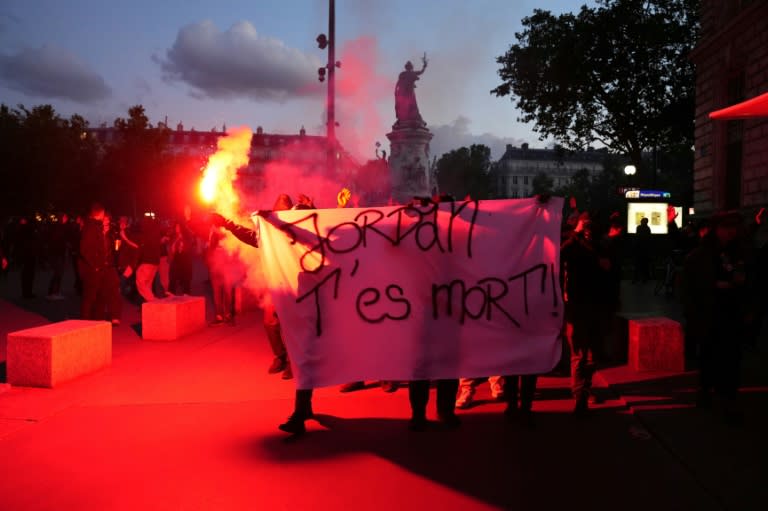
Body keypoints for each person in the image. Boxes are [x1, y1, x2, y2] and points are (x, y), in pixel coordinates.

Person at [78, 203, 121, 325]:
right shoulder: (92, 228)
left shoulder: (110, 233)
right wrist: (96, 264)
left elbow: (113, 250)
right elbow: (85, 249)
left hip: (106, 267)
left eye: (107, 222)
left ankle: (102, 319)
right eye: (104, 220)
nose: (106, 223)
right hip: (96, 268)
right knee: (90, 296)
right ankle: (86, 322)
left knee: (104, 294)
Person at [135, 215, 163, 302]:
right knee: (147, 285)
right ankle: (150, 304)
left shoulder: (146, 233)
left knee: (140, 282)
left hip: (147, 261)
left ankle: (153, 301)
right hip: (154, 263)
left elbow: (140, 246)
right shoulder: (155, 232)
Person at [395, 54, 428, 126]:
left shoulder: (404, 74)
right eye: (409, 66)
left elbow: (420, 72)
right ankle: (408, 117)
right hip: (405, 92)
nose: (409, 67)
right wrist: (396, 90)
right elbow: (398, 83)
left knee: (411, 104)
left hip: (406, 92)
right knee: (409, 104)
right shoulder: (404, 74)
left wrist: (424, 67)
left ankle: (409, 116)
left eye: (409, 66)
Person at [45, 213, 69, 300]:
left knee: (58, 273)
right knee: (58, 273)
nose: (67, 219)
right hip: (57, 253)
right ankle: (53, 292)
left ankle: (54, 292)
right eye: (65, 217)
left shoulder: (59, 227)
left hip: (57, 253)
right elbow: (57, 241)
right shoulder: (59, 228)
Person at [633, 217, 652, 283]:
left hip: (640, 249)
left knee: (639, 264)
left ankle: (637, 278)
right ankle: (643, 278)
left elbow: (637, 237)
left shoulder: (639, 228)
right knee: (644, 265)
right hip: (644, 249)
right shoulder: (647, 229)